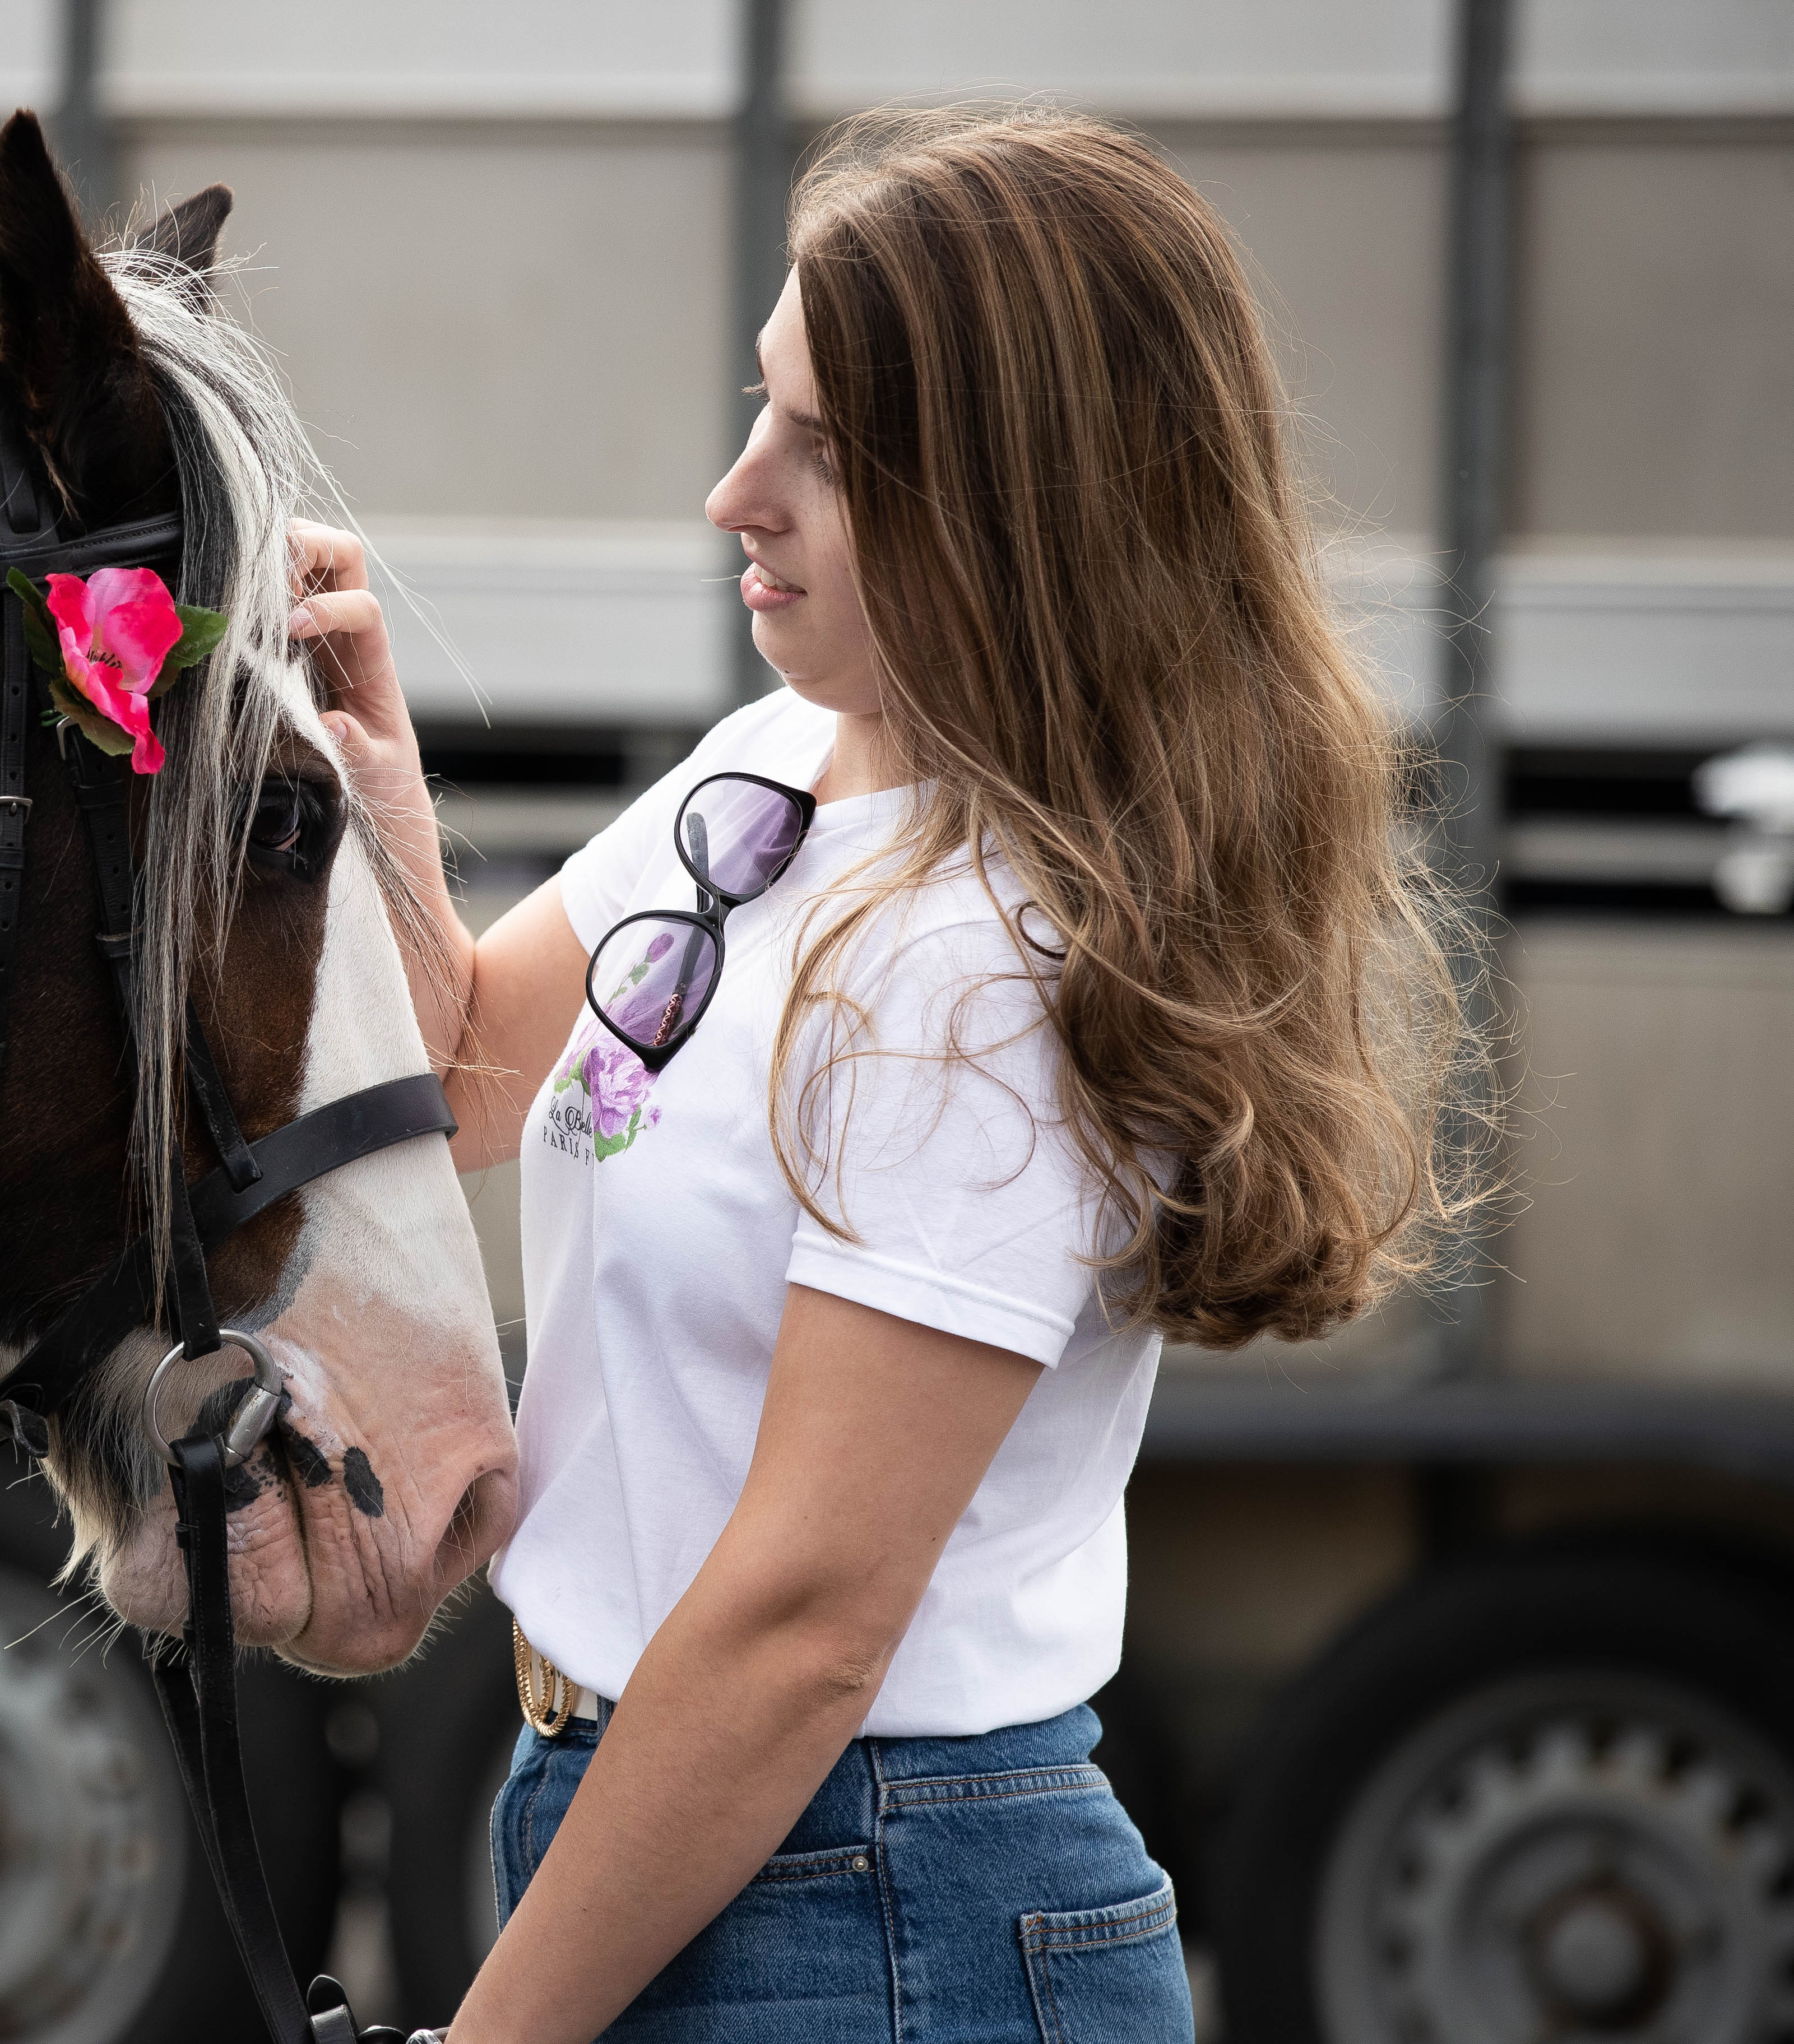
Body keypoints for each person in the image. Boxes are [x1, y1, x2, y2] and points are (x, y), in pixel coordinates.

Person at [286, 107, 1471, 2043]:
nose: (733, 493)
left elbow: (806, 1627)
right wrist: (366, 748)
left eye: (821, 452)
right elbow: (471, 1076)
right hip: (697, 1834)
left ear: (1023, 493)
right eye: (763, 414)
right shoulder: (774, 765)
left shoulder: (982, 966)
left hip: (870, 1899)